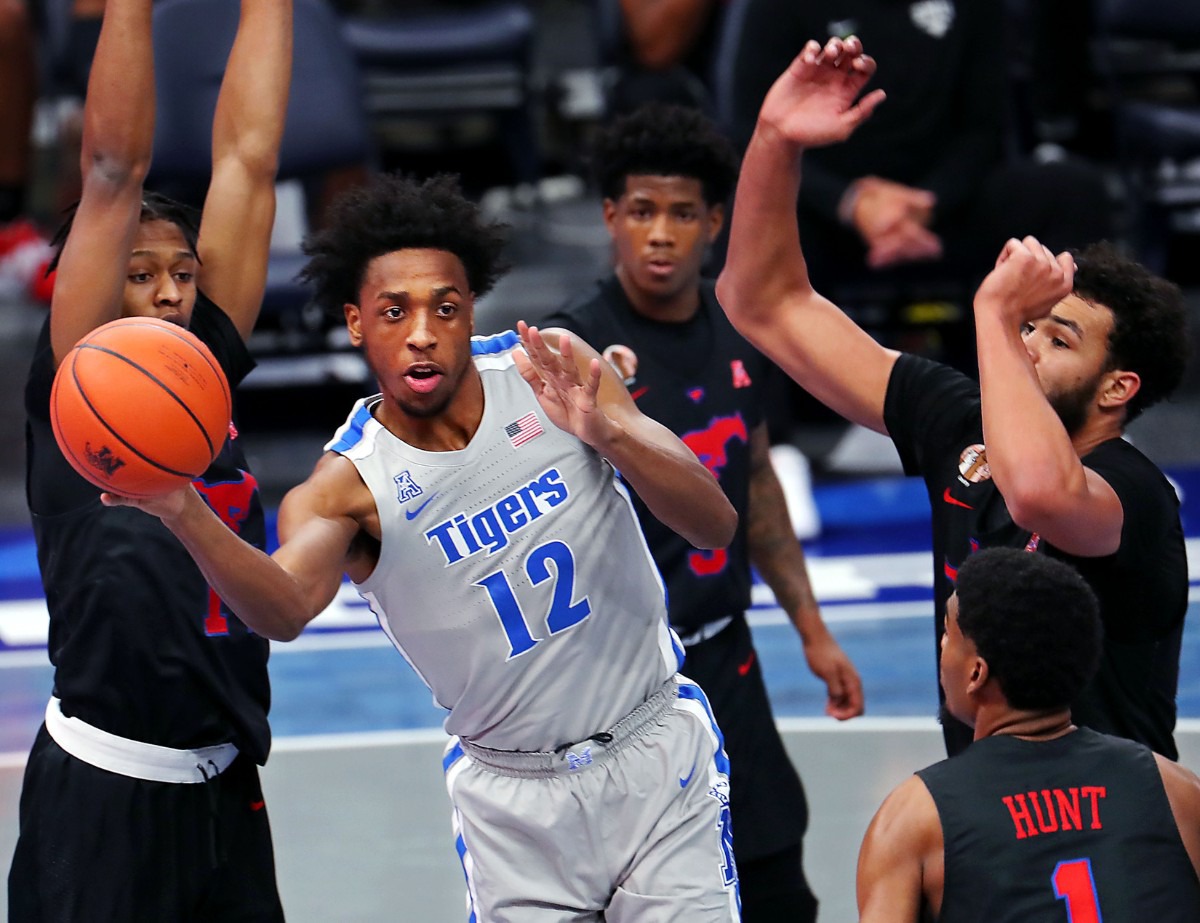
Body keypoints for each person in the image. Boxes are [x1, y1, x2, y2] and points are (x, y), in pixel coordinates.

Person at [106, 170, 745, 921]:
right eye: (393, 310)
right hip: (515, 801)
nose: (421, 332)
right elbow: (281, 609)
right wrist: (184, 510)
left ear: (471, 309)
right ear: (354, 321)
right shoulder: (346, 486)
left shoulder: (553, 370)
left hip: (655, 752)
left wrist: (610, 435)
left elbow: (714, 524)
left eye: (444, 308)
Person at [715, 36, 1190, 758]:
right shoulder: (959, 424)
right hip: (982, 808)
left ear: (1118, 387)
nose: (1027, 344)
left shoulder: (1136, 495)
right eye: (1028, 325)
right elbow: (762, 301)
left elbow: (1038, 495)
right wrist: (776, 139)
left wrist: (996, 317)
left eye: (1057, 340)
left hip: (1109, 835)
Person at [541, 101, 863, 923]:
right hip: (625, 686)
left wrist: (814, 630)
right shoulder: (571, 347)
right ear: (610, 216)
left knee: (779, 882)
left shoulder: (739, 329)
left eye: (682, 213)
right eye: (641, 211)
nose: (660, 233)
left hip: (729, 662)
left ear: (715, 223)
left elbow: (756, 488)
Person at [12, 0, 292, 916]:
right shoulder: (79, 389)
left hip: (226, 792)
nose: (169, 289)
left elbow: (248, 156)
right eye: (140, 271)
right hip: (101, 797)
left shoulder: (201, 369)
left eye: (182, 271)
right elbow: (111, 170)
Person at [856, 546, 1200, 922]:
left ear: (976, 673)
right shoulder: (1176, 789)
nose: (941, 646)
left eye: (948, 633)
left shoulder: (914, 818)